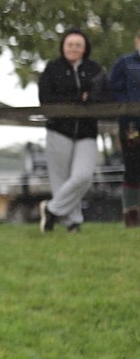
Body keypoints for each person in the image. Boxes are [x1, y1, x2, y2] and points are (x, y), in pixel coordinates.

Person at [37, 28, 108, 234]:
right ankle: (72, 223)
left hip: (86, 131)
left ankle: (50, 209)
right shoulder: (52, 69)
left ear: (85, 48)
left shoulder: (94, 69)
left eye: (78, 45)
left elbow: (104, 95)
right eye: (70, 44)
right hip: (59, 130)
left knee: (83, 176)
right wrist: (75, 99)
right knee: (60, 178)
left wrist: (91, 99)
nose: (74, 48)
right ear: (63, 46)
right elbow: (46, 98)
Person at [108, 29, 140, 227]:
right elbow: (112, 89)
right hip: (131, 124)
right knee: (133, 167)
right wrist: (128, 105)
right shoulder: (125, 63)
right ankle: (131, 213)